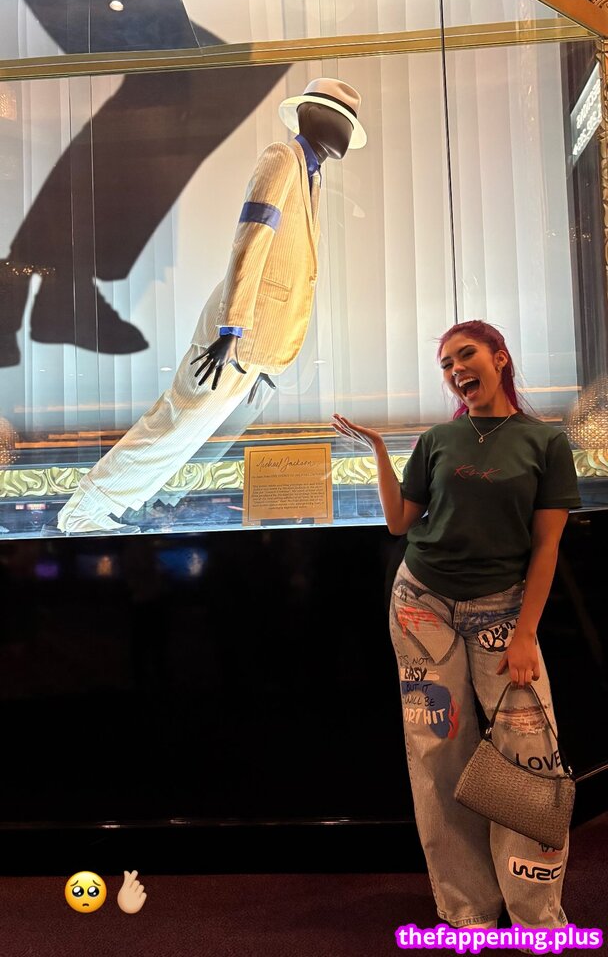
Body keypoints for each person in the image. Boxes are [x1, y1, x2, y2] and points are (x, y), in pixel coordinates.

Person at [332, 320, 581, 931]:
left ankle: (536, 916)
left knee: (528, 753)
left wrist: (526, 634)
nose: (455, 369)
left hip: (504, 611)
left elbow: (546, 547)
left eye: (466, 355)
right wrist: (380, 452)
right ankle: (468, 911)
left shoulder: (545, 442)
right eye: (446, 364)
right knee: (439, 753)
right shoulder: (438, 438)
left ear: (500, 358)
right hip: (422, 605)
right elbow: (399, 523)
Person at [55, 78, 366, 534]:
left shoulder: (311, 177)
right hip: (238, 336)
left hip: (260, 345)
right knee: (174, 424)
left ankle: (121, 509)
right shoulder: (283, 159)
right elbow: (251, 239)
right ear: (315, 116)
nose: (348, 135)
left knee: (193, 435)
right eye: (344, 122)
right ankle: (83, 512)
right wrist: (231, 328)